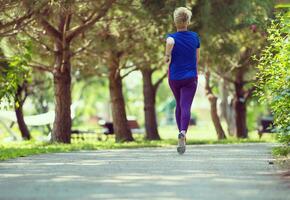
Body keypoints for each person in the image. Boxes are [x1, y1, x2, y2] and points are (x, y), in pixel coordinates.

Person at [165, 7, 200, 154]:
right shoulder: (194, 37)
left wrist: (167, 54)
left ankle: (180, 132)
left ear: (175, 21)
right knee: (186, 105)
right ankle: (183, 132)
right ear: (188, 21)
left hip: (174, 77)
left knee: (178, 104)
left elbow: (170, 43)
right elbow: (197, 58)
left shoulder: (171, 37)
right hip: (190, 77)